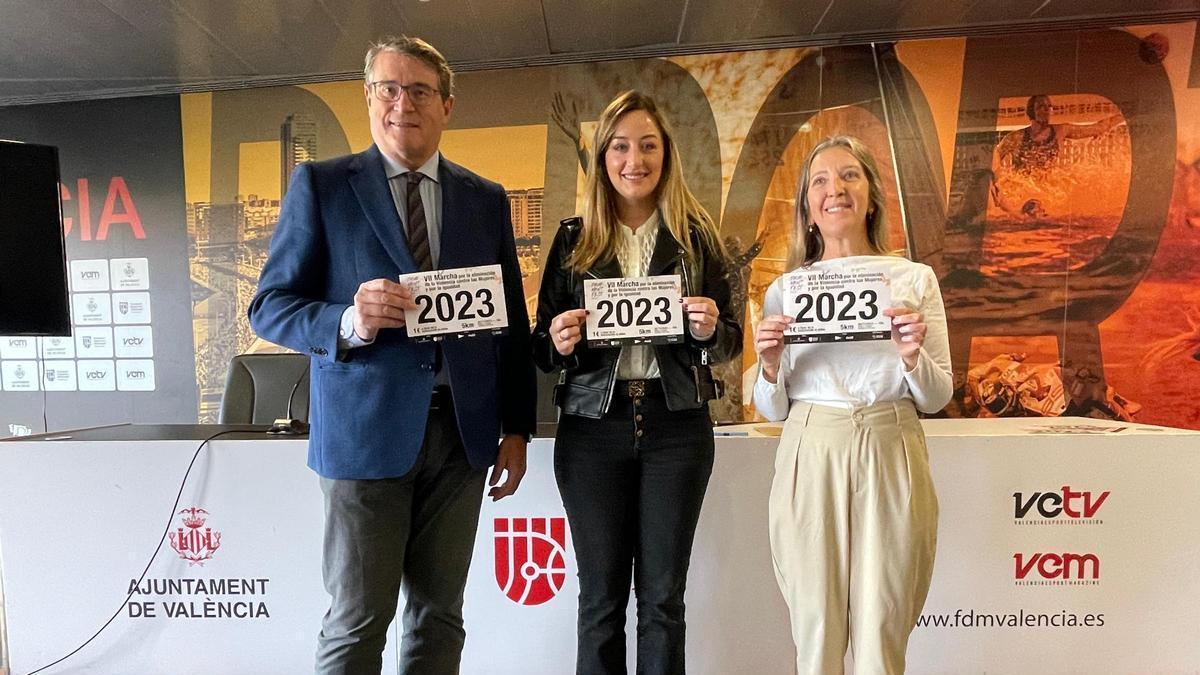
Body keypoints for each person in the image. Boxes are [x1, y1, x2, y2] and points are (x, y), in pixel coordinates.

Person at [248, 35, 535, 675]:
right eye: (389, 88)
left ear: (447, 106)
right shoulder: (322, 186)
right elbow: (269, 305)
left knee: (440, 618)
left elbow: (510, 325)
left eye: (421, 91)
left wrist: (516, 426)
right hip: (362, 438)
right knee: (357, 621)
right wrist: (348, 321)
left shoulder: (484, 198)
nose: (404, 103)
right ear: (369, 97)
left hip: (462, 438)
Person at [532, 90, 741, 675]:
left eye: (648, 146)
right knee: (600, 602)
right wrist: (559, 339)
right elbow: (541, 348)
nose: (634, 160)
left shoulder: (698, 237)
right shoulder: (573, 239)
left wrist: (709, 331)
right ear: (603, 158)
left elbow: (730, 341)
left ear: (666, 154)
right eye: (620, 147)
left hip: (677, 427)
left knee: (663, 603)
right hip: (592, 431)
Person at [752, 136, 953, 674]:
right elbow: (771, 408)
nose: (834, 189)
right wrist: (769, 365)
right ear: (807, 208)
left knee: (882, 624)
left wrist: (911, 357)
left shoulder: (912, 279)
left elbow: (937, 396)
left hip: (891, 445)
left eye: (849, 176)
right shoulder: (786, 290)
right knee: (816, 628)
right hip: (811, 447)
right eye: (819, 181)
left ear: (871, 196)